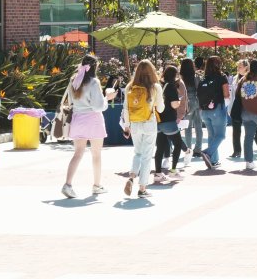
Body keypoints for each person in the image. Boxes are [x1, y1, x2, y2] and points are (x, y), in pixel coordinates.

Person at [62, 55, 117, 198]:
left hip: (77, 120)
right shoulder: (94, 82)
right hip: (93, 121)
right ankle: (97, 185)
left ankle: (67, 184)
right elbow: (98, 106)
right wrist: (107, 97)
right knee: (96, 155)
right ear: (95, 67)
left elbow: (70, 101)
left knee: (78, 153)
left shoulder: (73, 80)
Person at [122, 59, 164, 198]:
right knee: (147, 156)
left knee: (138, 153)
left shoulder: (130, 86)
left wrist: (126, 126)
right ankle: (142, 188)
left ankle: (132, 176)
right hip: (149, 123)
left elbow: (126, 109)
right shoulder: (155, 87)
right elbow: (161, 108)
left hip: (134, 124)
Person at [153, 65, 187, 181]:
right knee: (177, 144)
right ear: (175, 75)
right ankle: (173, 170)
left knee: (160, 147)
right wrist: (179, 101)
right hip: (169, 120)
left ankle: (158, 173)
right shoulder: (171, 87)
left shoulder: (160, 85)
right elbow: (174, 104)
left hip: (158, 120)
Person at [198, 55, 230, 169]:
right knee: (221, 135)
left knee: (212, 136)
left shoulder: (203, 79)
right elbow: (227, 95)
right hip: (217, 109)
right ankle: (208, 152)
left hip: (204, 111)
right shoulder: (222, 77)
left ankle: (214, 160)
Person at [179, 58, 203, 157]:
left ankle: (188, 148)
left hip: (186, 103)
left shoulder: (180, 78)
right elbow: (200, 90)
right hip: (197, 102)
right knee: (198, 126)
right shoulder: (196, 77)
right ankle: (198, 149)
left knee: (187, 127)